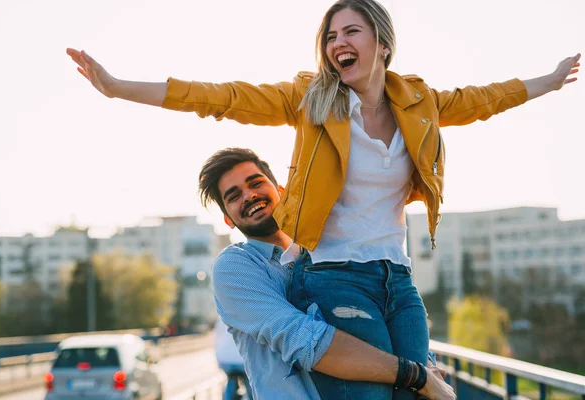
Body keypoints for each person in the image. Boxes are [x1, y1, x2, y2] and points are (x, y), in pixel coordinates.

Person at [66, 1, 579, 398]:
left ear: (382, 42)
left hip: (398, 279)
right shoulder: (311, 100)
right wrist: (118, 88)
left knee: (424, 394)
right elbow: (220, 97)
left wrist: (551, 81)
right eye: (330, 37)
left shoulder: (420, 103)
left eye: (350, 31)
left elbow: (484, 100)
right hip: (336, 275)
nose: (338, 44)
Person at [198, 147, 453, 400]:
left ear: (283, 191)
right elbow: (304, 339)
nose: (249, 196)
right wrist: (416, 375)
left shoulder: (327, 250)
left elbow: (380, 303)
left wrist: (424, 360)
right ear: (228, 220)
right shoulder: (236, 266)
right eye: (233, 196)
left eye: (255, 183)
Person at [214, 315, 253, 400]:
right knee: (250, 383)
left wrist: (217, 358)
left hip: (225, 359)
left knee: (231, 379)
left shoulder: (222, 314)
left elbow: (216, 337)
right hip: (242, 360)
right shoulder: (246, 314)